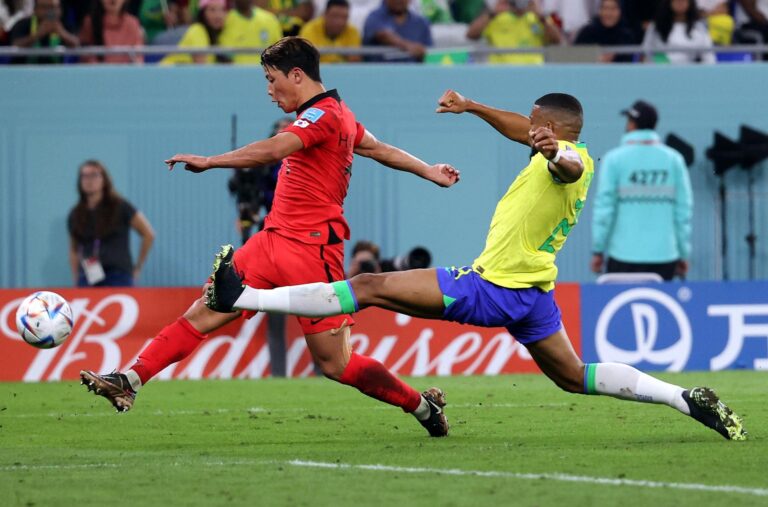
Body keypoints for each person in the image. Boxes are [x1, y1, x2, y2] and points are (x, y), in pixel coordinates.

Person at [204, 89, 746, 442]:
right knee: (574, 376)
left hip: (494, 287)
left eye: (534, 121)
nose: (526, 127)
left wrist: (555, 152)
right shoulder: (546, 145)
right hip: (534, 294)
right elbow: (522, 129)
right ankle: (684, 399)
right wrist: (473, 107)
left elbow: (567, 163)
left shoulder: (573, 162)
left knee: (367, 285)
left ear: (551, 126)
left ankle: (242, 297)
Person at [80, 37, 460, 438]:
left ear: (296, 75)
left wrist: (211, 161)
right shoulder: (335, 115)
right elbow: (378, 148)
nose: (268, 90)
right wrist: (428, 170)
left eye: (271, 79)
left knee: (336, 364)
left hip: (314, 250)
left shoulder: (327, 115)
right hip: (271, 240)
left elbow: (278, 148)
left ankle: (421, 405)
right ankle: (130, 380)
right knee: (203, 311)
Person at [590, 100, 693, 281]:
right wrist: (683, 253)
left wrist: (598, 249)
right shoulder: (674, 160)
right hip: (665, 255)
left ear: (631, 123)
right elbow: (683, 213)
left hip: (622, 254)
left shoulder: (613, 160)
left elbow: (604, 209)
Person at [68, 160, 155, 287]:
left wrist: (138, 267)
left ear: (104, 179)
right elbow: (73, 249)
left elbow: (148, 234)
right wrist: (76, 277)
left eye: (94, 175)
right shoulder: (75, 213)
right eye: (84, 176)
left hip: (118, 275)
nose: (89, 180)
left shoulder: (120, 206)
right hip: (88, 276)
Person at [466, 0, 562, 65]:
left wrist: (541, 16)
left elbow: (557, 40)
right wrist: (493, 13)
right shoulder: (496, 17)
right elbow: (471, 34)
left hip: (533, 70)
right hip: (502, 70)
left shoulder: (538, 18)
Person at [642, 0, 716, 64]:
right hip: (661, 73)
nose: (680, 1)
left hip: (690, 73)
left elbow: (708, 57)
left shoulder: (699, 28)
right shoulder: (656, 26)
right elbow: (648, 53)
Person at [9, 0, 79, 64]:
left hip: (56, 72)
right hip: (25, 71)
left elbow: (76, 44)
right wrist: (38, 34)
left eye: (54, 7)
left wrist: (61, 32)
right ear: (35, 9)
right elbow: (16, 44)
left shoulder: (65, 24)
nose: (50, 11)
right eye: (45, 7)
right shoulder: (23, 24)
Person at [160, 0, 230, 65]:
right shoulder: (198, 31)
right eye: (212, 10)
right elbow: (201, 70)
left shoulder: (219, 34)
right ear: (203, 13)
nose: (218, 15)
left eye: (222, 10)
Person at [362, 0, 433, 62]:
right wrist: (408, 46)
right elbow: (383, 35)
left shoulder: (421, 23)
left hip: (413, 74)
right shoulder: (374, 17)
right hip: (379, 74)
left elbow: (430, 53)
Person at [79, 0, 144, 64]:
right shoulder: (89, 23)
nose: (113, 0)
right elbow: (84, 58)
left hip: (126, 73)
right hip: (97, 72)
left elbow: (138, 58)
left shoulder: (133, 23)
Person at [219, 0, 282, 64]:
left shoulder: (270, 19)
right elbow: (223, 55)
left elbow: (279, 51)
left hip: (265, 72)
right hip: (234, 72)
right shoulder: (224, 20)